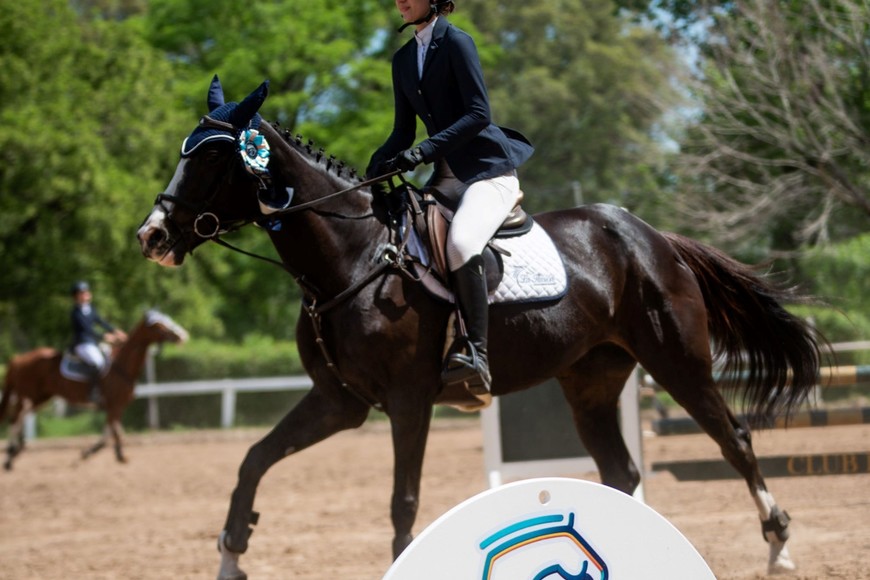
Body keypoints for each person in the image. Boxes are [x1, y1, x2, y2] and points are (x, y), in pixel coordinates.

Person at [366, 0, 534, 398]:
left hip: (488, 173)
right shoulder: (404, 58)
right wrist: (374, 166)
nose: (401, 1)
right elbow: (402, 132)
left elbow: (478, 114)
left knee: (461, 243)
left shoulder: (458, 42)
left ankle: (476, 352)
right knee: (404, 239)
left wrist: (423, 152)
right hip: (445, 178)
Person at [70, 281, 126, 403]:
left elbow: (101, 322)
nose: (86, 294)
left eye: (86, 292)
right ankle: (93, 391)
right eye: (83, 293)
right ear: (77, 296)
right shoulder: (76, 313)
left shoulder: (90, 309)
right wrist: (104, 336)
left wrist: (116, 331)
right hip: (83, 344)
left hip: (93, 343)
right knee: (98, 363)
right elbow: (87, 329)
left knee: (110, 357)